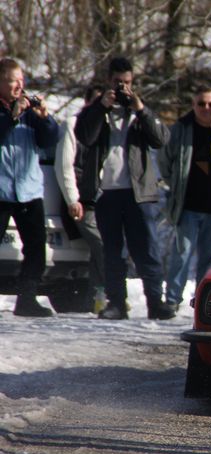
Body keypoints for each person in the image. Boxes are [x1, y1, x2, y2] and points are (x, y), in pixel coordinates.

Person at [74, 56, 175, 320]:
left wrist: (141, 109)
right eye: (118, 82)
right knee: (113, 252)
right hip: (106, 192)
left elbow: (161, 139)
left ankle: (155, 302)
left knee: (147, 250)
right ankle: (117, 303)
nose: (122, 88)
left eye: (127, 83)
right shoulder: (96, 110)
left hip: (139, 193)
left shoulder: (139, 111)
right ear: (109, 81)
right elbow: (85, 136)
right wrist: (100, 108)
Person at [0, 58, 60, 317]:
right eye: (14, 80)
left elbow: (50, 140)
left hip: (28, 190)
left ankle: (27, 298)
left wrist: (44, 117)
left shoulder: (28, 110)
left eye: (22, 81)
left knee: (36, 248)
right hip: (1, 191)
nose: (19, 86)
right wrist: (12, 116)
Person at [158, 86, 211, 311]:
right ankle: (172, 300)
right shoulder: (181, 129)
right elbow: (164, 161)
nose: (206, 108)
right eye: (201, 104)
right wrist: (175, 185)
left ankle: (203, 300)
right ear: (193, 105)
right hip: (187, 205)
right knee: (182, 253)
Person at [54, 84, 107, 313]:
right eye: (95, 103)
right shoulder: (72, 124)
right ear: (87, 103)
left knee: (101, 248)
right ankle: (110, 292)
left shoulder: (109, 129)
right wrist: (72, 199)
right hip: (80, 202)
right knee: (102, 244)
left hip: (103, 200)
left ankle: (96, 297)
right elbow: (64, 165)